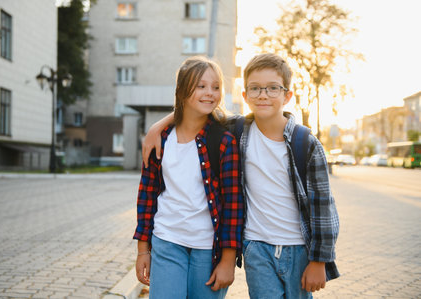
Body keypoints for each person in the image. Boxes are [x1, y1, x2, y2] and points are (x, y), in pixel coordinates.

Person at [142, 53, 340, 299]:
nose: (263, 95)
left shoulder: (305, 143)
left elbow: (323, 208)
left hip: (299, 249)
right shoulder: (238, 130)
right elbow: (197, 110)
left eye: (272, 88)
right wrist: (158, 125)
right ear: (244, 96)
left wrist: (320, 261)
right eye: (255, 89)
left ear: (288, 96)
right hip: (256, 247)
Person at [133, 56, 244, 299]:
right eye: (201, 86)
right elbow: (147, 195)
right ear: (182, 90)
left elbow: (234, 206)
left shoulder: (224, 141)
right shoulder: (160, 140)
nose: (209, 93)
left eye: (216, 87)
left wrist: (228, 260)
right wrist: (143, 250)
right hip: (166, 242)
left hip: (208, 250)